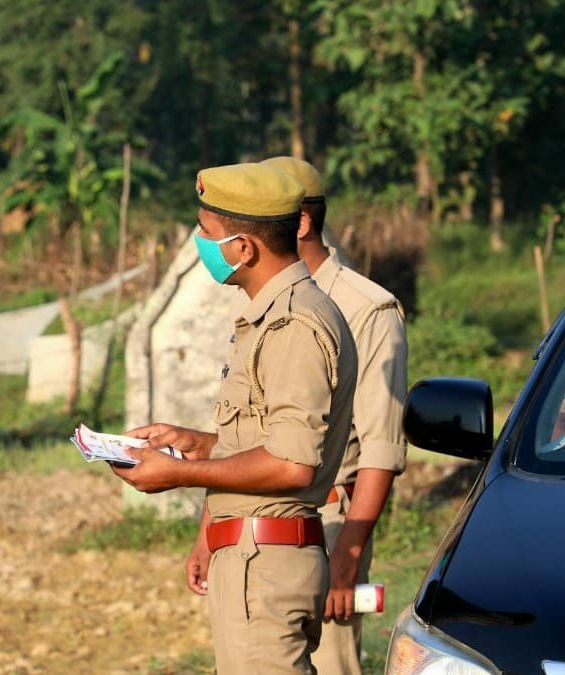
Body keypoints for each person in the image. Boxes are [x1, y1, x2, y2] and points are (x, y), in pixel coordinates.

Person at [111, 163, 357, 674]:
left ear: (244, 248)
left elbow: (292, 466)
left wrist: (178, 472)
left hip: (264, 566)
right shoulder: (271, 316)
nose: (200, 242)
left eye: (207, 231)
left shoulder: (294, 325)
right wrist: (201, 444)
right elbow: (269, 437)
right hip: (252, 558)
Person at [260, 156, 408, 675]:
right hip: (255, 528)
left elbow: (381, 445)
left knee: (329, 665)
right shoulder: (261, 305)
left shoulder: (366, 308)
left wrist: (347, 554)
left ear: (300, 222)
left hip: (324, 526)